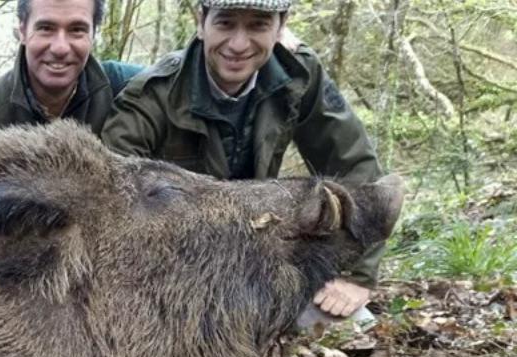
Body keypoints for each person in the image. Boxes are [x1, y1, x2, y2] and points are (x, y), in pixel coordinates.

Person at [102, 0, 388, 319]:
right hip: (174, 268)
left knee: (351, 326)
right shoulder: (153, 94)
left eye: (257, 25)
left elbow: (357, 170)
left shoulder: (298, 77)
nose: (239, 44)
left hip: (264, 259)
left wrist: (356, 276)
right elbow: (110, 197)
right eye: (225, 23)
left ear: (280, 27)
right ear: (201, 22)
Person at [0, 0, 143, 141]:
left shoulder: (128, 88)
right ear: (23, 31)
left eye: (77, 29)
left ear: (93, 34)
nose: (60, 48)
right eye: (45, 28)